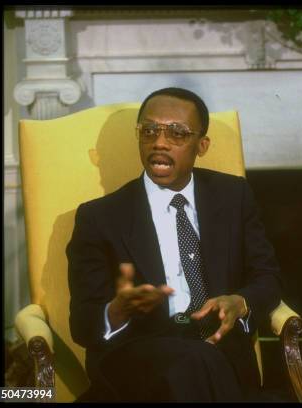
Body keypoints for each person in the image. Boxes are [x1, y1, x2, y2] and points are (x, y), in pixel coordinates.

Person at [67, 87, 282, 402]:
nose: (159, 142)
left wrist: (240, 301)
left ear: (202, 145)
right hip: (137, 357)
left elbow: (268, 278)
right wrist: (116, 311)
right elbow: (82, 324)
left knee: (201, 361)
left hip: (219, 350)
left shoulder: (233, 196)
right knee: (193, 362)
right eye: (149, 131)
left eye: (177, 133)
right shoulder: (99, 217)